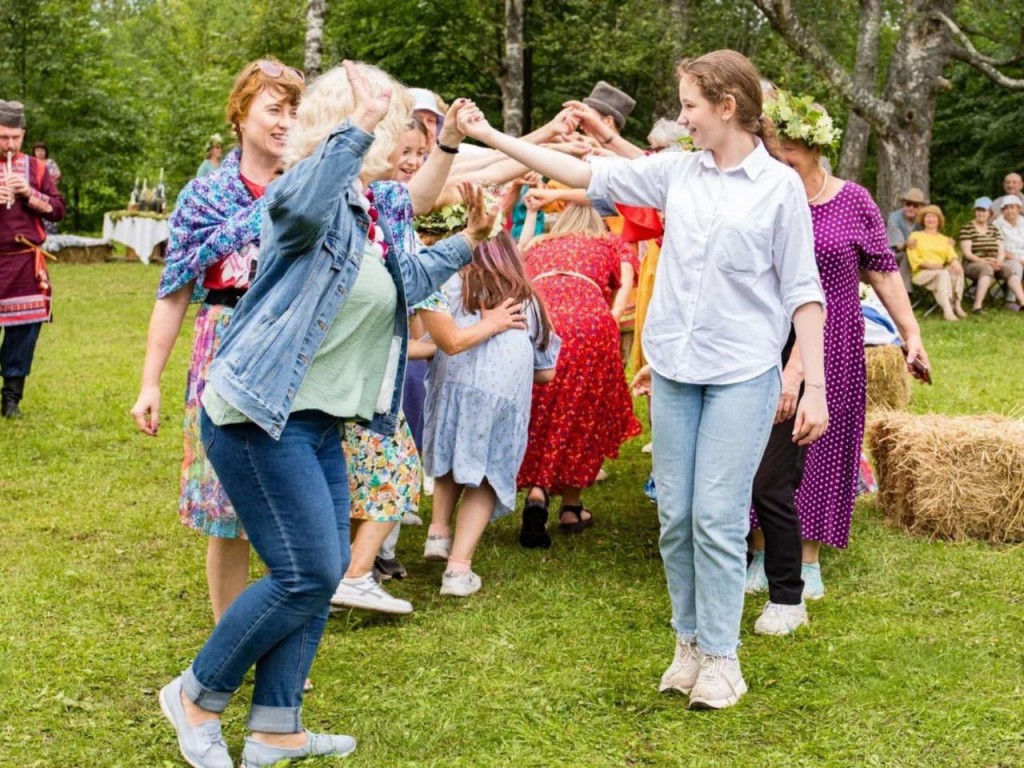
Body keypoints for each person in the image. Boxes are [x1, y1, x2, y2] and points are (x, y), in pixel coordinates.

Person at [455, 48, 828, 710]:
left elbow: (805, 292)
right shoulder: (678, 173)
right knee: (677, 518)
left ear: (727, 107)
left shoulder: (778, 189)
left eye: (689, 105)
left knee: (715, 517)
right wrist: (491, 137)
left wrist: (813, 384)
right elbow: (581, 170)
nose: (683, 118)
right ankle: (687, 644)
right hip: (676, 372)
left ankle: (722, 657)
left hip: (741, 373)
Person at [157, 61, 495, 768]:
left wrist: (469, 240)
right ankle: (195, 694)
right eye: (390, 119)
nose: (403, 133)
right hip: (257, 416)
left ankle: (276, 727)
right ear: (352, 121)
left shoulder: (370, 205)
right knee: (306, 571)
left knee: (328, 562)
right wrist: (359, 126)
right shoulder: (304, 188)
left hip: (317, 421)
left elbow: (400, 286)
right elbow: (300, 211)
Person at [130, 59, 304, 632]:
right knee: (228, 510)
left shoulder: (311, 183)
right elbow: (174, 289)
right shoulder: (205, 195)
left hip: (299, 346)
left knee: (291, 505)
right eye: (274, 109)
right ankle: (233, 636)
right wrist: (150, 382)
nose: (286, 122)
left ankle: (283, 637)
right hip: (224, 347)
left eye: (294, 110)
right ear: (240, 115)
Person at [746, 91, 928, 627]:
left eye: (787, 150)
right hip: (765, 332)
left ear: (812, 146)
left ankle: (808, 558)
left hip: (834, 339)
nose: (779, 158)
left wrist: (910, 331)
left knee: (819, 444)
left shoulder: (854, 200)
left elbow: (884, 271)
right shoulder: (762, 194)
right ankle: (759, 550)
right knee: (760, 440)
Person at [419, 228, 560, 596]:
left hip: (453, 388)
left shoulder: (452, 285)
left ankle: (438, 532)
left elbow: (431, 337)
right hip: (501, 399)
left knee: (451, 453)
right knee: (484, 477)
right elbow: (546, 372)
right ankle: (458, 570)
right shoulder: (528, 300)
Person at [516, 203, 641, 546]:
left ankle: (537, 490)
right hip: (590, 323)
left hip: (541, 319)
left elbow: (518, 273)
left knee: (540, 408)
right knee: (582, 412)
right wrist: (611, 318)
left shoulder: (541, 241)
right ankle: (570, 507)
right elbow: (627, 282)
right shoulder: (611, 243)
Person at [0, 99, 65, 418]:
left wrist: (29, 194)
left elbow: (59, 209)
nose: (9, 144)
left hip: (26, 261)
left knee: (24, 331)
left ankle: (11, 398)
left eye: (15, 137)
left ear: (23, 134)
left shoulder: (38, 169)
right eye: (2, 137)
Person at [959, 196, 1018, 313]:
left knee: (1009, 269)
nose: (981, 213)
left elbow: (1001, 250)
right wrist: (984, 261)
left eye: (984, 210)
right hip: (972, 263)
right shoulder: (967, 228)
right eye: (978, 210)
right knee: (986, 269)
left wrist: (999, 262)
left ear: (990, 213)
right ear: (974, 211)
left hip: (993, 262)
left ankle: (1022, 301)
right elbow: (967, 253)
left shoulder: (994, 229)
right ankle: (977, 306)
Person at [907, 204, 965, 321]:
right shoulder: (915, 236)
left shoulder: (944, 239)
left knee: (957, 270)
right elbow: (913, 258)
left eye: (934, 217)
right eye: (928, 216)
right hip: (922, 273)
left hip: (939, 273)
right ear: (923, 219)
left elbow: (951, 255)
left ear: (939, 221)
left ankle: (957, 305)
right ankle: (948, 310)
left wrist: (955, 262)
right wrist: (930, 265)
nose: (931, 219)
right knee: (943, 274)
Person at [886, 187, 926, 292]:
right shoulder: (894, 218)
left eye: (915, 205)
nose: (911, 208)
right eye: (908, 204)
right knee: (906, 255)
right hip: (893, 255)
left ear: (920, 208)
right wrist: (906, 244)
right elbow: (899, 247)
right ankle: (904, 292)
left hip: (919, 254)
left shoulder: (924, 219)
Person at [994, 194, 1024, 312]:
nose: (1009, 210)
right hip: (1006, 257)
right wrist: (1017, 258)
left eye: (1012, 207)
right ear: (1002, 211)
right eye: (1006, 208)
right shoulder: (997, 225)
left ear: (1018, 209)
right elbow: (998, 248)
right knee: (1016, 266)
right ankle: (1010, 301)